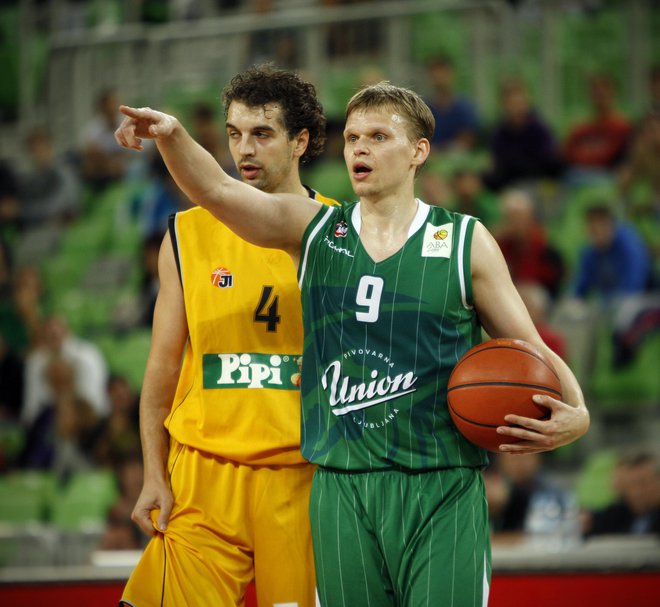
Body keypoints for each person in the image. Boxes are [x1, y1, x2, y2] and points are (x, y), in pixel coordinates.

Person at [115, 81, 590, 607]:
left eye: (379, 136)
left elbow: (528, 347)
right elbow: (219, 192)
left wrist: (579, 412)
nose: (360, 148)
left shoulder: (462, 240)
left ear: (418, 151)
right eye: (353, 137)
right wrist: (173, 135)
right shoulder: (318, 231)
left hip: (435, 481)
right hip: (340, 484)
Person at [116, 65, 337, 607]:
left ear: (300, 141)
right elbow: (163, 368)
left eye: (262, 133)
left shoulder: (341, 233)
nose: (246, 149)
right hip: (203, 475)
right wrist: (153, 473)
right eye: (235, 134)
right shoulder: (186, 234)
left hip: (304, 477)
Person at [483, 77, 564, 192]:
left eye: (518, 101)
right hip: (507, 187)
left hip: (536, 186)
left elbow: (550, 165)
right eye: (510, 101)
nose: (515, 106)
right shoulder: (498, 133)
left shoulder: (540, 130)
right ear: (503, 104)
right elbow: (496, 166)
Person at [563, 73, 632, 174]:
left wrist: (582, 157)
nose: (599, 95)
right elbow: (566, 153)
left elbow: (610, 156)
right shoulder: (581, 127)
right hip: (576, 172)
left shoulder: (621, 126)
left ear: (613, 93)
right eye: (595, 91)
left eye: (603, 91)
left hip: (608, 175)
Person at [583, 450, 660, 538]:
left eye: (643, 483)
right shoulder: (619, 513)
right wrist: (587, 522)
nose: (637, 492)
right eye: (629, 485)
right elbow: (593, 522)